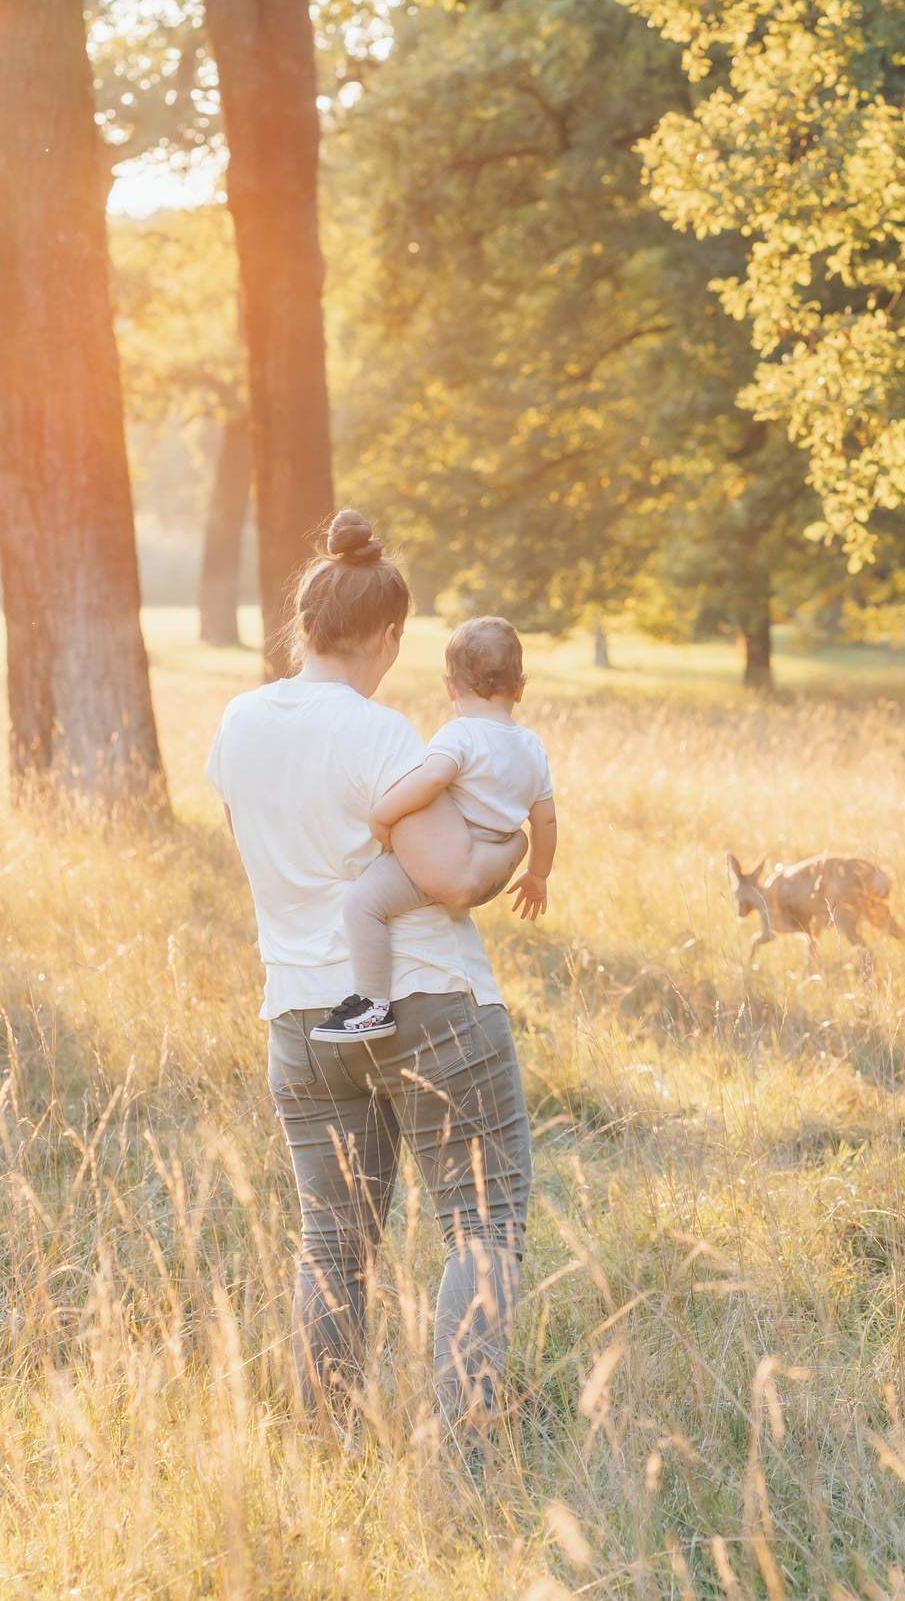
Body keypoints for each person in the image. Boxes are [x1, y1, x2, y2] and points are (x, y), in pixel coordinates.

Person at [201, 510, 532, 1437]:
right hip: (430, 1006)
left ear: (307, 624)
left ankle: (326, 1445)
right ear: (386, 635)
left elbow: (259, 855)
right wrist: (521, 842)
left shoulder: (240, 723)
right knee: (481, 1222)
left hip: (303, 1020)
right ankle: (468, 1447)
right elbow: (454, 877)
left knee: (334, 1245)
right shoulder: (382, 731)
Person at [325, 615, 557, 1036]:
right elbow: (545, 818)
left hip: (440, 856)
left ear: (449, 686)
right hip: (491, 863)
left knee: (363, 904)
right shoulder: (532, 746)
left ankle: (373, 1004)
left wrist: (383, 814)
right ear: (520, 687)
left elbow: (431, 779)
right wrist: (538, 873)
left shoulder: (461, 735)